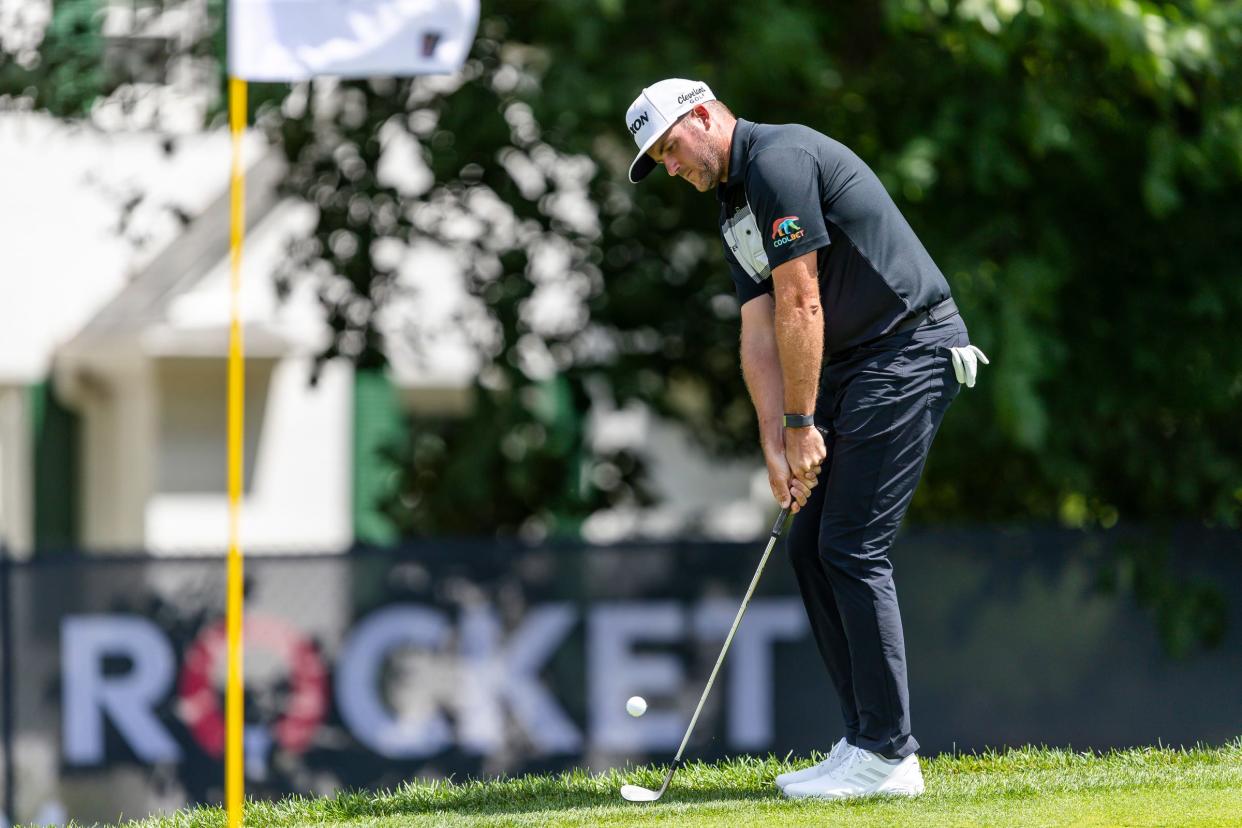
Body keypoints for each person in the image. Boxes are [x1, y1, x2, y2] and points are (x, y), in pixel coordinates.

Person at [623, 78, 988, 800]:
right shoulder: (735, 205)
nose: (671, 167)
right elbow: (759, 329)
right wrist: (774, 440)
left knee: (852, 545)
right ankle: (864, 739)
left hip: (910, 349)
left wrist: (801, 425)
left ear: (703, 116)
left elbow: (801, 299)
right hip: (859, 366)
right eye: (660, 159)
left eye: (670, 148)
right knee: (808, 544)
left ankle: (888, 754)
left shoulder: (778, 161)